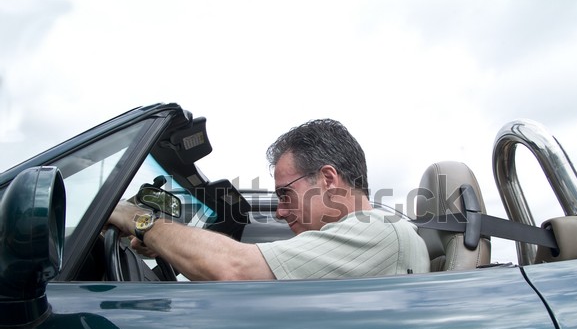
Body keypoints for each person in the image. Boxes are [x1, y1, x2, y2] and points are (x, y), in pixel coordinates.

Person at [108, 119, 430, 280]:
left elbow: (233, 267)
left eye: (285, 194)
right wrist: (167, 243)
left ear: (328, 180)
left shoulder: (375, 231)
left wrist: (141, 221)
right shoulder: (383, 234)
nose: (279, 211)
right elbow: (227, 274)